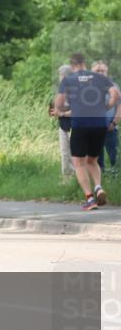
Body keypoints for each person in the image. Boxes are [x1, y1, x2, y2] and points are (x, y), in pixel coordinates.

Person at [54, 53, 120, 211]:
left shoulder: (68, 80)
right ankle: (98, 187)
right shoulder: (99, 77)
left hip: (80, 125)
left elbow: (59, 103)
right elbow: (116, 95)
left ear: (72, 65)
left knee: (79, 163)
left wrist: (62, 110)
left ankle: (90, 199)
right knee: (92, 160)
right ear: (85, 63)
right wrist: (107, 107)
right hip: (99, 125)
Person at [92, 61, 119, 176]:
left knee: (114, 154)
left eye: (102, 71)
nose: (100, 73)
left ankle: (116, 175)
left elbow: (119, 106)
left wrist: (114, 122)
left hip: (110, 126)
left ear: (106, 72)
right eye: (97, 71)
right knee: (97, 156)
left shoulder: (114, 86)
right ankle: (101, 178)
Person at [48, 64, 74, 177]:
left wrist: (61, 113)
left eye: (61, 75)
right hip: (62, 126)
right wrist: (53, 112)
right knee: (64, 153)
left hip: (74, 126)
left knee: (75, 154)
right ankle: (66, 179)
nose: (60, 78)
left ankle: (77, 179)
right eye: (60, 75)